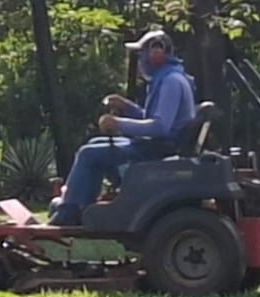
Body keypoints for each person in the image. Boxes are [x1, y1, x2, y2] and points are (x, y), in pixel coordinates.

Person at [47, 29, 196, 226]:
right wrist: (128, 107)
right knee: (95, 144)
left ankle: (69, 213)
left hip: (157, 150)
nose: (140, 61)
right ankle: (81, 206)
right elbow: (152, 119)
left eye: (141, 54)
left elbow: (161, 127)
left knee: (88, 153)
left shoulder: (171, 82)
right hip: (158, 146)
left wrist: (118, 123)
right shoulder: (168, 77)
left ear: (156, 52)